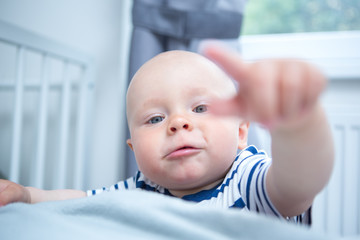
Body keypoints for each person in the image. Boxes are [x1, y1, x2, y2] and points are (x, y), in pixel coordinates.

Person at [0, 46, 334, 225]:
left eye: (200, 109)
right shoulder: (142, 190)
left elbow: (298, 185)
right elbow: (82, 202)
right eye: (156, 118)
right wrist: (29, 196)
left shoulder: (247, 179)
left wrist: (298, 126)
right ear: (134, 150)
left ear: (241, 132)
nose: (177, 123)